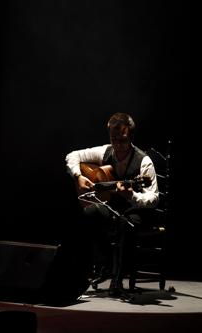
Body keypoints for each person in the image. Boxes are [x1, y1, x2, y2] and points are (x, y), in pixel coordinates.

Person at [65, 112, 159, 295]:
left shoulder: (144, 161)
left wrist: (132, 195)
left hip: (136, 210)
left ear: (131, 137)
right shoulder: (106, 151)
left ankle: (117, 280)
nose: (117, 145)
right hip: (113, 207)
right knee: (88, 214)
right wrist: (78, 176)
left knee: (126, 224)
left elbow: (154, 198)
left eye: (122, 140)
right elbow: (72, 156)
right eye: (113, 139)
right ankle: (98, 266)